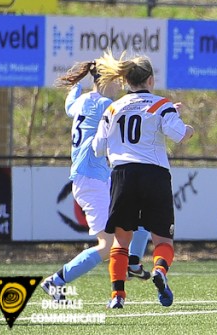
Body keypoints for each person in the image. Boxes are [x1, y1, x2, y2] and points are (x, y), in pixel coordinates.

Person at [41, 59, 152, 301]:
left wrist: (76, 87)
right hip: (91, 180)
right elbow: (132, 115)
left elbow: (70, 105)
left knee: (140, 213)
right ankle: (56, 281)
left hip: (98, 178)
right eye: (117, 82)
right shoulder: (105, 105)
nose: (120, 87)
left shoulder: (83, 102)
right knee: (107, 244)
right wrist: (162, 110)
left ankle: (132, 262)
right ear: (106, 81)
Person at [92, 52, 195, 309]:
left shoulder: (112, 108)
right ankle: (159, 271)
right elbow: (179, 134)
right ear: (150, 80)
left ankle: (117, 296)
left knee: (121, 241)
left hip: (123, 175)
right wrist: (186, 127)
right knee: (162, 240)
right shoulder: (162, 105)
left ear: (126, 80)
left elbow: (97, 148)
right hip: (154, 175)